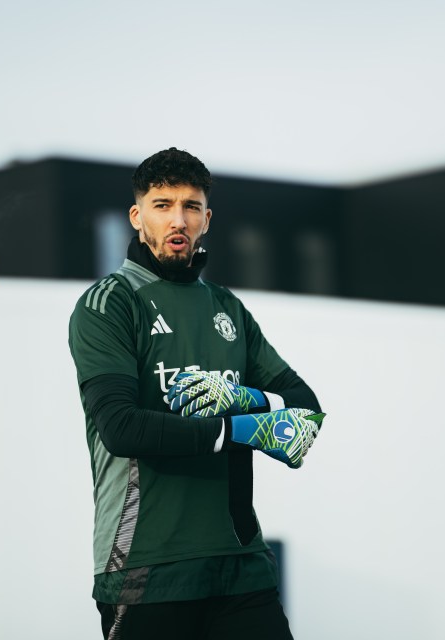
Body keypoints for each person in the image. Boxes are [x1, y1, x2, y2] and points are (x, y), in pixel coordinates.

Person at [68, 147, 325, 639]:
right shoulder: (110, 303)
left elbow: (305, 410)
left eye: (190, 206)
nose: (177, 219)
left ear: (207, 219)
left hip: (241, 565)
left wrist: (244, 399)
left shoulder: (227, 306)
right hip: (146, 567)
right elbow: (121, 427)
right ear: (136, 216)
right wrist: (240, 429)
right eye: (162, 205)